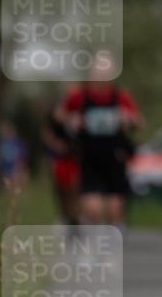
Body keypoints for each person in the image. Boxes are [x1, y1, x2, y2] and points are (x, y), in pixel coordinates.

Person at [55, 58, 142, 227]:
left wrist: (128, 119)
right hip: (89, 157)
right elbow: (59, 115)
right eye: (98, 72)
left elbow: (138, 122)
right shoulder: (79, 96)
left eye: (105, 72)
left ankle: (113, 231)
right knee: (92, 208)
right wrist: (72, 120)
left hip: (114, 157)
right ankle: (90, 229)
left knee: (114, 209)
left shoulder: (120, 97)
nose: (101, 76)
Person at [41, 105, 80, 228]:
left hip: (72, 160)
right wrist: (55, 145)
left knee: (74, 189)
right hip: (58, 160)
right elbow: (46, 136)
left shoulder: (73, 120)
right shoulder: (51, 123)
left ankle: (76, 217)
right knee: (61, 190)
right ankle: (65, 216)